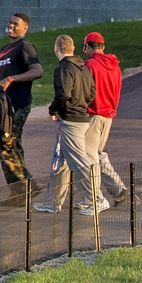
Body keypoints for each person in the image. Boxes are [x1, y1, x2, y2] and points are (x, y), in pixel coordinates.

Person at [36, 34, 100, 213]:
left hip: (69, 120)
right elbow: (92, 93)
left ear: (56, 48)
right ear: (72, 48)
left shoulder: (64, 68)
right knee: (59, 162)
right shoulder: (83, 67)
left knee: (79, 162)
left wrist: (54, 110)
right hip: (81, 117)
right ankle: (52, 202)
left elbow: (63, 94)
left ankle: (94, 199)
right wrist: (80, 104)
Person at [0, 13, 40, 191]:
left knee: (5, 142)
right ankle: (21, 191)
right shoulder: (5, 48)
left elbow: (37, 70)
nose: (11, 25)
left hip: (18, 104)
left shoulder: (25, 46)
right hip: (4, 106)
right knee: (12, 144)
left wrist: (11, 79)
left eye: (16, 24)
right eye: (10, 22)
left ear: (25, 28)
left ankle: (24, 188)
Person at [81, 31, 127, 203]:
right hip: (109, 115)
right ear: (103, 47)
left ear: (86, 46)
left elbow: (85, 92)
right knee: (98, 153)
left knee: (89, 156)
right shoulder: (115, 66)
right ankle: (117, 187)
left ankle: (94, 198)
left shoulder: (90, 65)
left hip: (94, 115)